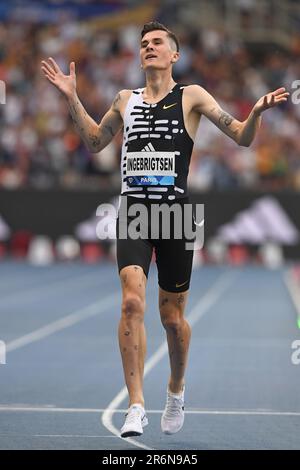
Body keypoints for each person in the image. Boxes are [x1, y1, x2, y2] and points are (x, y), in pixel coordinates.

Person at [41, 21, 289, 438]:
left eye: (157, 43)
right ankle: (136, 405)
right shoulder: (125, 99)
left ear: (174, 55)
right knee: (131, 304)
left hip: (175, 214)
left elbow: (241, 138)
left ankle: (175, 389)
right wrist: (71, 98)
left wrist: (257, 114)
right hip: (135, 210)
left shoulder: (190, 96)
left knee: (172, 318)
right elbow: (96, 142)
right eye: (143, 44)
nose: (148, 47)